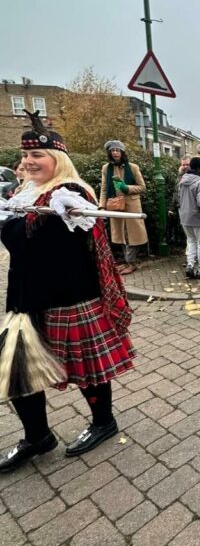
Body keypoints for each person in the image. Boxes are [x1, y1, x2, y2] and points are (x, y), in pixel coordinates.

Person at [0, 111, 135, 472]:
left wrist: (13, 224)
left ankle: (104, 422)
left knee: (85, 369)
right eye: (26, 155)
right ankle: (37, 436)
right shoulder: (26, 194)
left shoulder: (72, 194)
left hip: (68, 298)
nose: (29, 162)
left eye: (38, 156)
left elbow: (34, 247)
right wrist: (17, 212)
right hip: (25, 298)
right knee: (17, 369)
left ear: (56, 159)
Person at [99, 141, 148, 276]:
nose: (115, 153)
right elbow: (104, 188)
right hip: (115, 205)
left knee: (132, 235)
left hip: (131, 205)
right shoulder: (106, 168)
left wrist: (127, 188)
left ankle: (131, 263)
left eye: (117, 150)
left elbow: (142, 187)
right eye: (112, 150)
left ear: (122, 152)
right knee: (121, 234)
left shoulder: (133, 167)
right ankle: (127, 262)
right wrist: (102, 206)